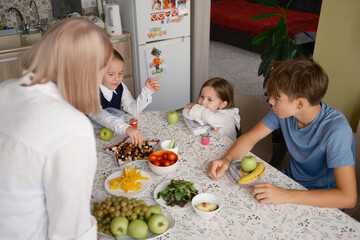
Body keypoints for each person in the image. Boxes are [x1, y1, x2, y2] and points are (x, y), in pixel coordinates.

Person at [0, 18, 113, 239]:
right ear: (87, 73)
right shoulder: (71, 128)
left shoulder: (5, 90)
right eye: (103, 70)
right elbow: (71, 229)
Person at [207, 57, 357, 209]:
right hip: (289, 184)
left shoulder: (337, 131)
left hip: (322, 200)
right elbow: (251, 137)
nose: (271, 101)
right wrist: (227, 158)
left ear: (300, 103)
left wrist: (285, 195)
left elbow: (348, 198)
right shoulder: (283, 112)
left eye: (277, 98)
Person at [90, 49, 160, 145]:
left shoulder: (120, 86)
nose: (117, 78)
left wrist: (147, 91)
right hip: (92, 136)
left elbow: (133, 110)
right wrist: (126, 128)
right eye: (111, 74)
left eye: (120, 73)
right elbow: (99, 114)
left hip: (115, 134)